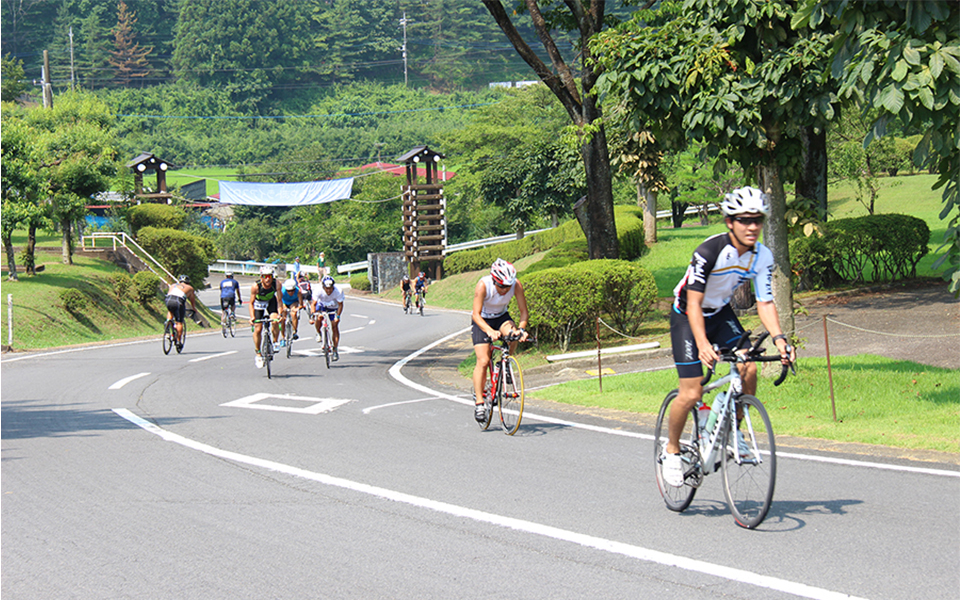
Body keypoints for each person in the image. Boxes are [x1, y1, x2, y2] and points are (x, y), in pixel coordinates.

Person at [661, 186, 795, 487]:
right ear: (729, 222)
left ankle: (733, 430)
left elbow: (765, 302)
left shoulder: (762, 256)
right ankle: (671, 450)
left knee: (748, 366)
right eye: (745, 220)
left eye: (757, 220)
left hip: (719, 313)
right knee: (692, 393)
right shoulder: (709, 252)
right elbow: (693, 304)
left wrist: (780, 338)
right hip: (687, 315)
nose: (752, 227)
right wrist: (704, 344)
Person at [471, 258, 529, 423]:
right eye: (502, 286)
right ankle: (480, 403)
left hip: (501, 318)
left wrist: (522, 330)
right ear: (494, 281)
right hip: (482, 320)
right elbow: (475, 314)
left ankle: (505, 363)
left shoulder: (515, 285)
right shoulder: (483, 285)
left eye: (508, 286)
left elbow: (523, 312)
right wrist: (489, 331)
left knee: (513, 335)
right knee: (483, 360)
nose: (505, 290)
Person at [249, 265, 281, 368]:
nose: (267, 279)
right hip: (259, 304)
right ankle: (258, 353)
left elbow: (280, 301)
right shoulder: (256, 286)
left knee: (275, 321)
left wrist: (280, 314)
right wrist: (252, 317)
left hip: (271, 301)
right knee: (258, 329)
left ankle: (275, 341)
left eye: (269, 276)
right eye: (265, 276)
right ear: (261, 277)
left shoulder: (277, 284)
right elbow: (251, 303)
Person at [312, 275, 345, 361]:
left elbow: (340, 304)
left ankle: (335, 349)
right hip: (321, 306)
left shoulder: (338, 291)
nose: (329, 290)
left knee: (334, 325)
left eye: (330, 288)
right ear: (323, 287)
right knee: (318, 318)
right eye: (326, 288)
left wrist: (338, 316)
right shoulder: (318, 290)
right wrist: (313, 315)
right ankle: (319, 332)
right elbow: (313, 304)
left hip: (333, 307)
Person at [165, 275, 198, 344]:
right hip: (178, 301)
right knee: (179, 322)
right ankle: (178, 341)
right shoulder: (190, 288)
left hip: (168, 299)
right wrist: (193, 308)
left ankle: (168, 323)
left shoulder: (173, 285)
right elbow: (192, 300)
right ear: (188, 282)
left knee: (170, 311)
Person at [280, 277, 304, 342]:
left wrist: (297, 308)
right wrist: (282, 308)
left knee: (293, 314)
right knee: (283, 318)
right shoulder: (282, 291)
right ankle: (283, 337)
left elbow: (301, 304)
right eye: (288, 291)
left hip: (293, 302)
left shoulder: (298, 291)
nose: (290, 292)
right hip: (284, 302)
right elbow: (278, 301)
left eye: (292, 290)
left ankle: (294, 331)